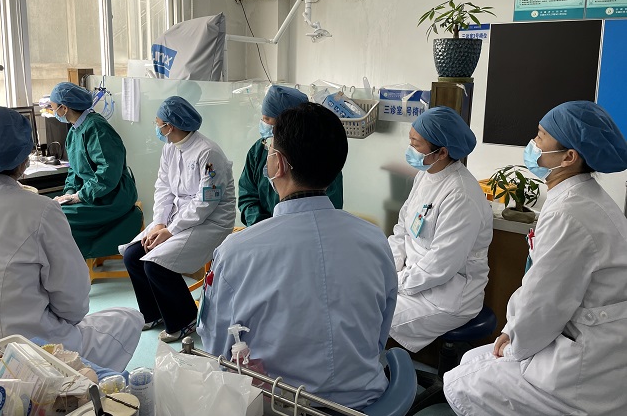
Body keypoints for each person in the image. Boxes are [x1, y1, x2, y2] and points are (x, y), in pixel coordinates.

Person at [198, 102, 398, 410]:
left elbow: (217, 348)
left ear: (278, 164)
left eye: (269, 149)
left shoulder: (235, 253)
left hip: (281, 406)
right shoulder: (374, 240)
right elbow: (380, 333)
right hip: (367, 401)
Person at [444, 101, 627, 416]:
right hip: (583, 339)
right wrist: (513, 331)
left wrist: (515, 339)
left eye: (540, 137)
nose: (532, 144)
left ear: (568, 157)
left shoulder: (570, 213)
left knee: (462, 382)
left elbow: (545, 300)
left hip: (585, 365)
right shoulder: (580, 198)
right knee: (471, 364)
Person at [0, 107, 143, 370]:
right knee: (128, 318)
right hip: (21, 361)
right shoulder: (39, 211)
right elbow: (74, 306)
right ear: (23, 158)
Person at [121, 96, 235, 342]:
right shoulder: (170, 148)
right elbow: (163, 188)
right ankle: (153, 313)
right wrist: (159, 223)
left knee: (156, 264)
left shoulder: (208, 153)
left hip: (211, 221)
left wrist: (170, 231)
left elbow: (206, 203)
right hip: (176, 217)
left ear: (170, 126)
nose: (156, 128)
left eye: (158, 123)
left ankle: (185, 319)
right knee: (133, 255)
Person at [388, 106, 493, 352]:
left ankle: (379, 373)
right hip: (410, 282)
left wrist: (396, 282)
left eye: (416, 144)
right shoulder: (425, 175)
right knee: (359, 302)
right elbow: (403, 230)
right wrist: (389, 268)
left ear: (442, 152)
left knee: (368, 314)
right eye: (410, 141)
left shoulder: (461, 195)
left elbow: (441, 265)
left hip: (445, 298)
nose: (410, 149)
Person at [49, 82, 139, 258]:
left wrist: (80, 196)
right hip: (94, 194)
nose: (53, 112)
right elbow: (74, 170)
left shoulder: (97, 128)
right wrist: (69, 193)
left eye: (53, 108)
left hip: (113, 196)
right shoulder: (74, 131)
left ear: (64, 108)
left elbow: (108, 172)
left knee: (58, 220)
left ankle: (71, 265)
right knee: (52, 212)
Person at [238, 85, 344, 226]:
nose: (264, 123)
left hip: (312, 228)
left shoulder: (321, 152)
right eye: (263, 118)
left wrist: (290, 228)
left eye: (268, 119)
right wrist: (262, 226)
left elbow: (329, 204)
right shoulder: (258, 151)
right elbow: (247, 196)